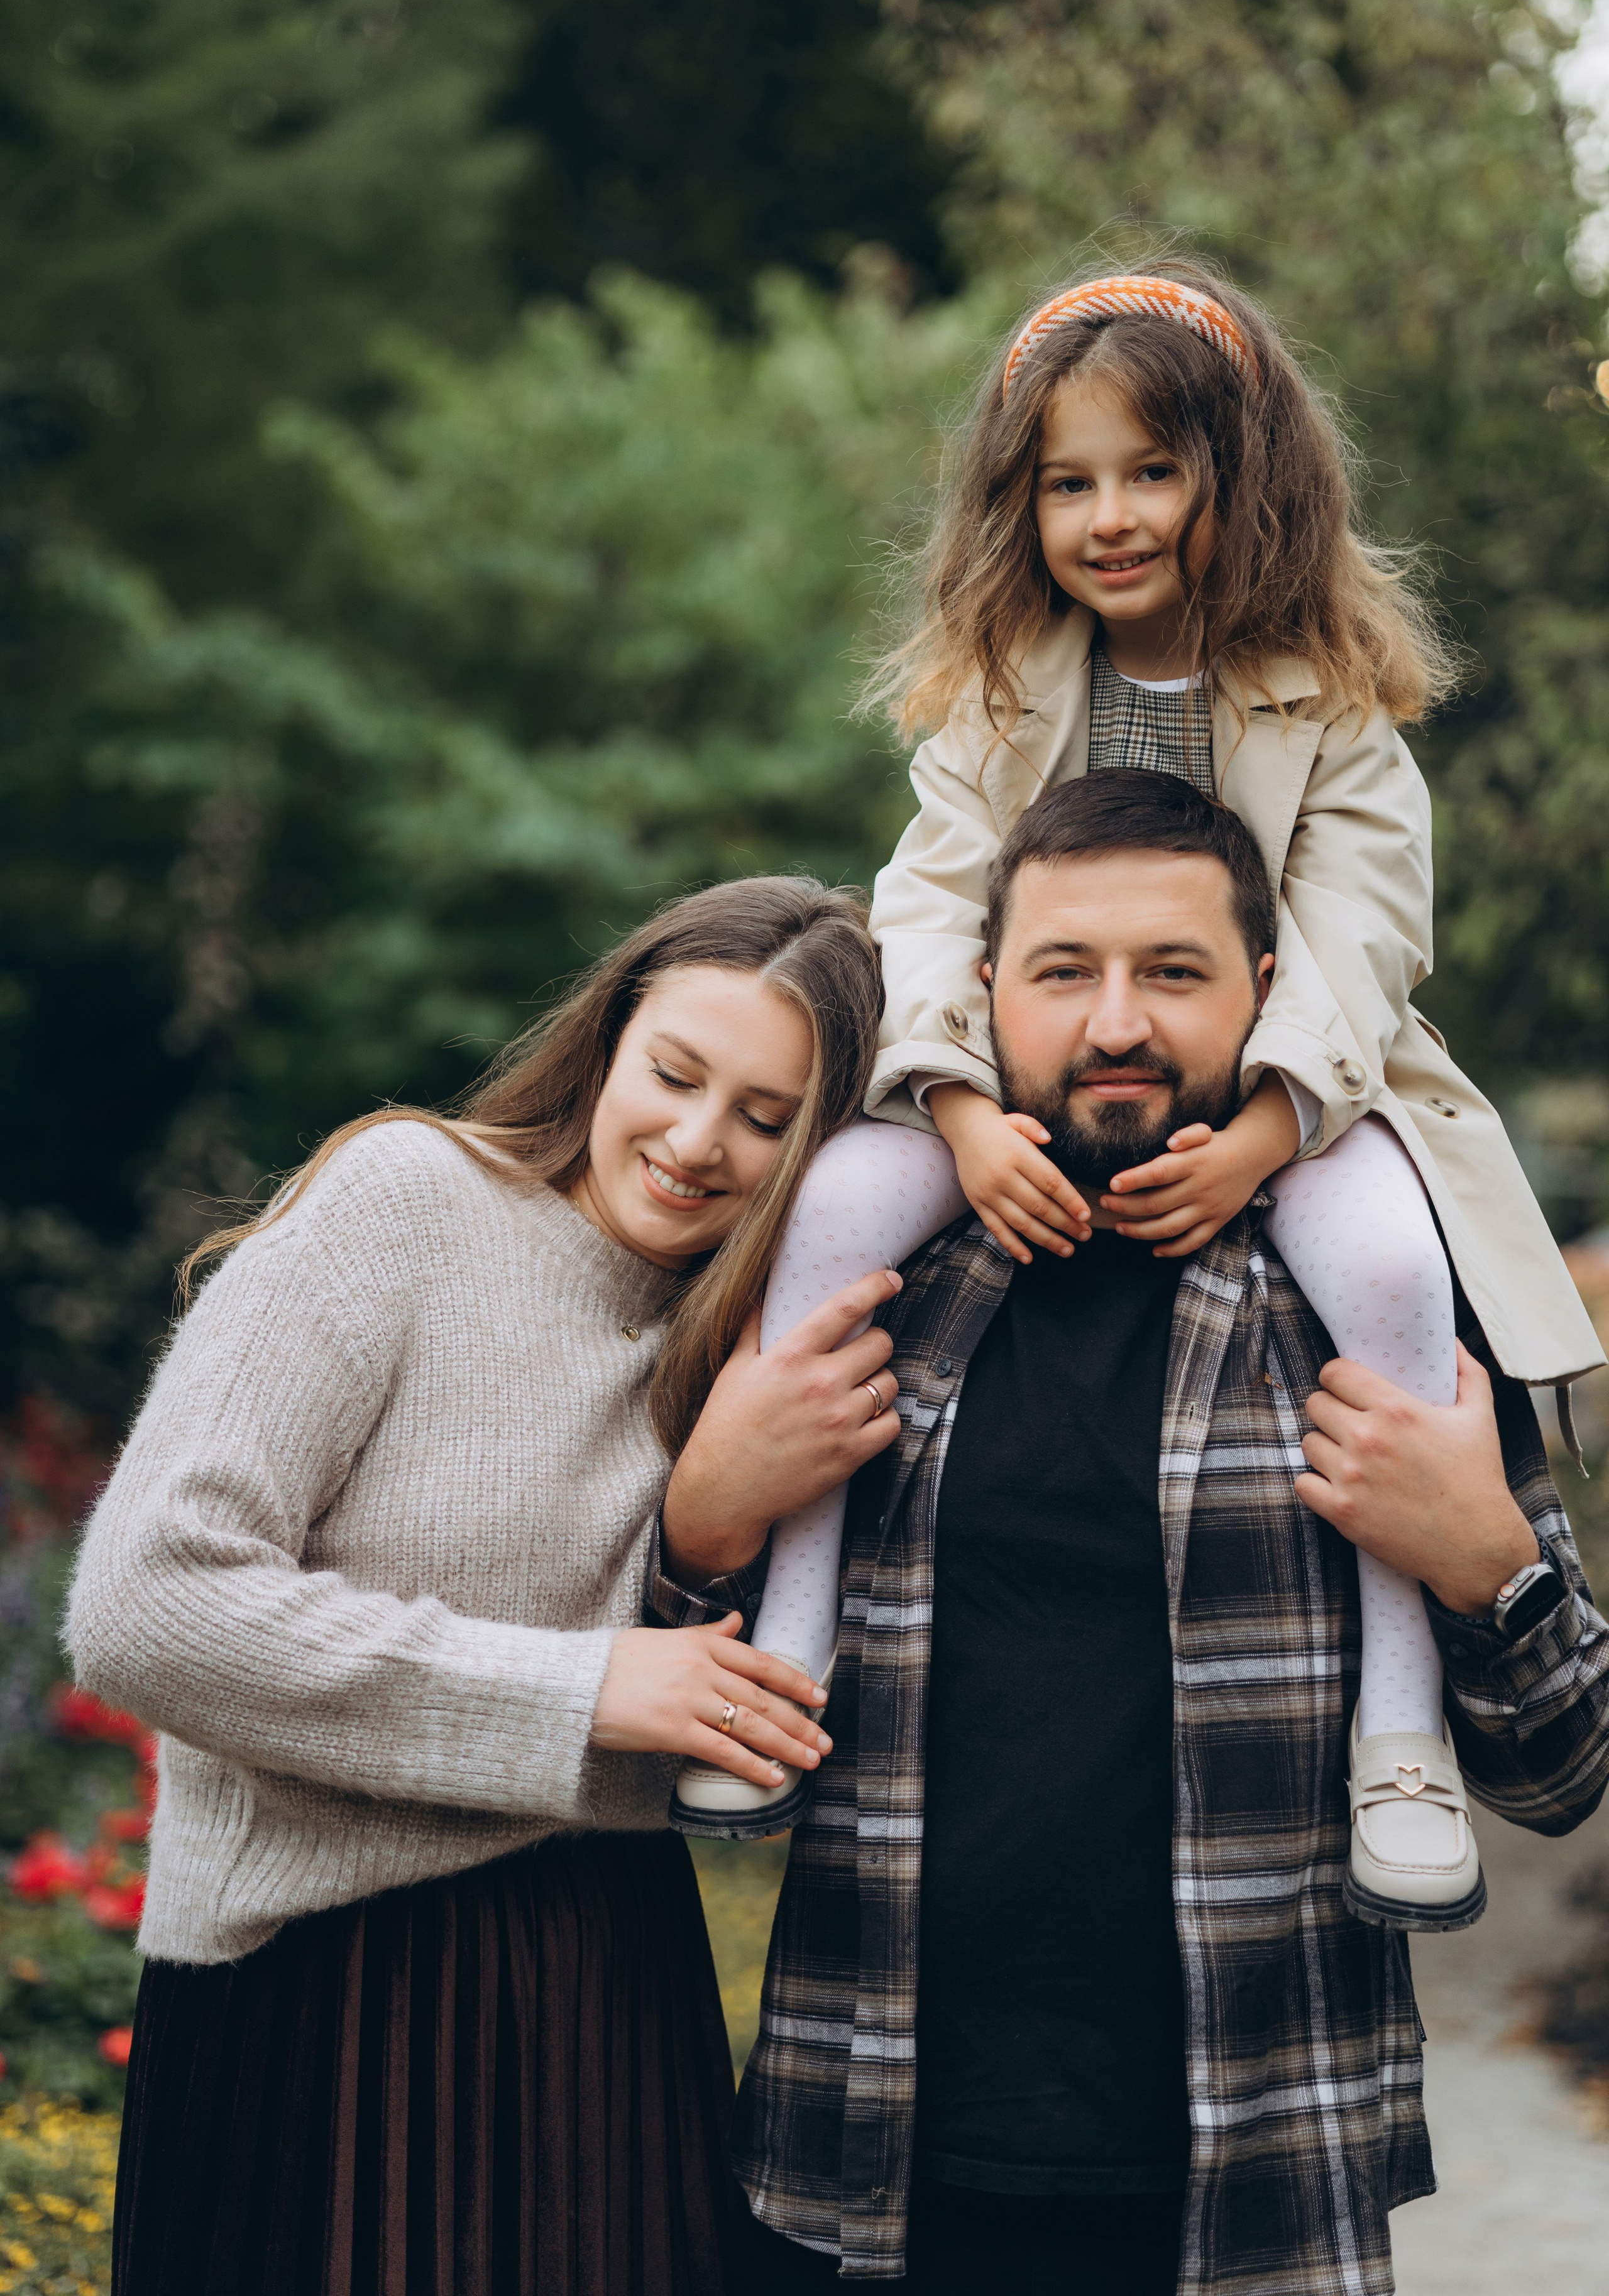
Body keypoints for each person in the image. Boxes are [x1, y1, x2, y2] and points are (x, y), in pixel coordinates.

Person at [673, 263, 1602, 1930]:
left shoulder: (1332, 701)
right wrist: (958, 1114)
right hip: (996, 1083)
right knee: (825, 1220)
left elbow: (1359, 938)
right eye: (1067, 481)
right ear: (1017, 504)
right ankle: (784, 1640)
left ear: (1239, 482)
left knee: (1392, 1276)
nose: (1110, 517)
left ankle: (1398, 1731)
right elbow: (933, 905)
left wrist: (1262, 1136)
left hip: (1302, 1089)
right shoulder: (998, 692)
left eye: (1151, 472)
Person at [656, 772, 1609, 2293]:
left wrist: (1479, 1556)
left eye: (1171, 973)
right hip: (862, 2173)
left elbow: (1563, 1773)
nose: (1114, 1024)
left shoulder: (1374, 1309)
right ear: (980, 992)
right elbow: (640, 1735)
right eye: (1062, 972)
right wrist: (702, 1525)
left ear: (1267, 993)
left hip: (1257, 2196)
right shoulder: (868, 1295)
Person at [65, 875, 910, 2296]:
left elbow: (747, 1734)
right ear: (608, 1040)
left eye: (767, 1120)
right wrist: (581, 1688)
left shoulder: (770, 1356)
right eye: (674, 1075)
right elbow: (146, 1603)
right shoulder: (408, 1202)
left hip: (608, 1981)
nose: (698, 1143)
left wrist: (705, 1543)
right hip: (319, 1994)